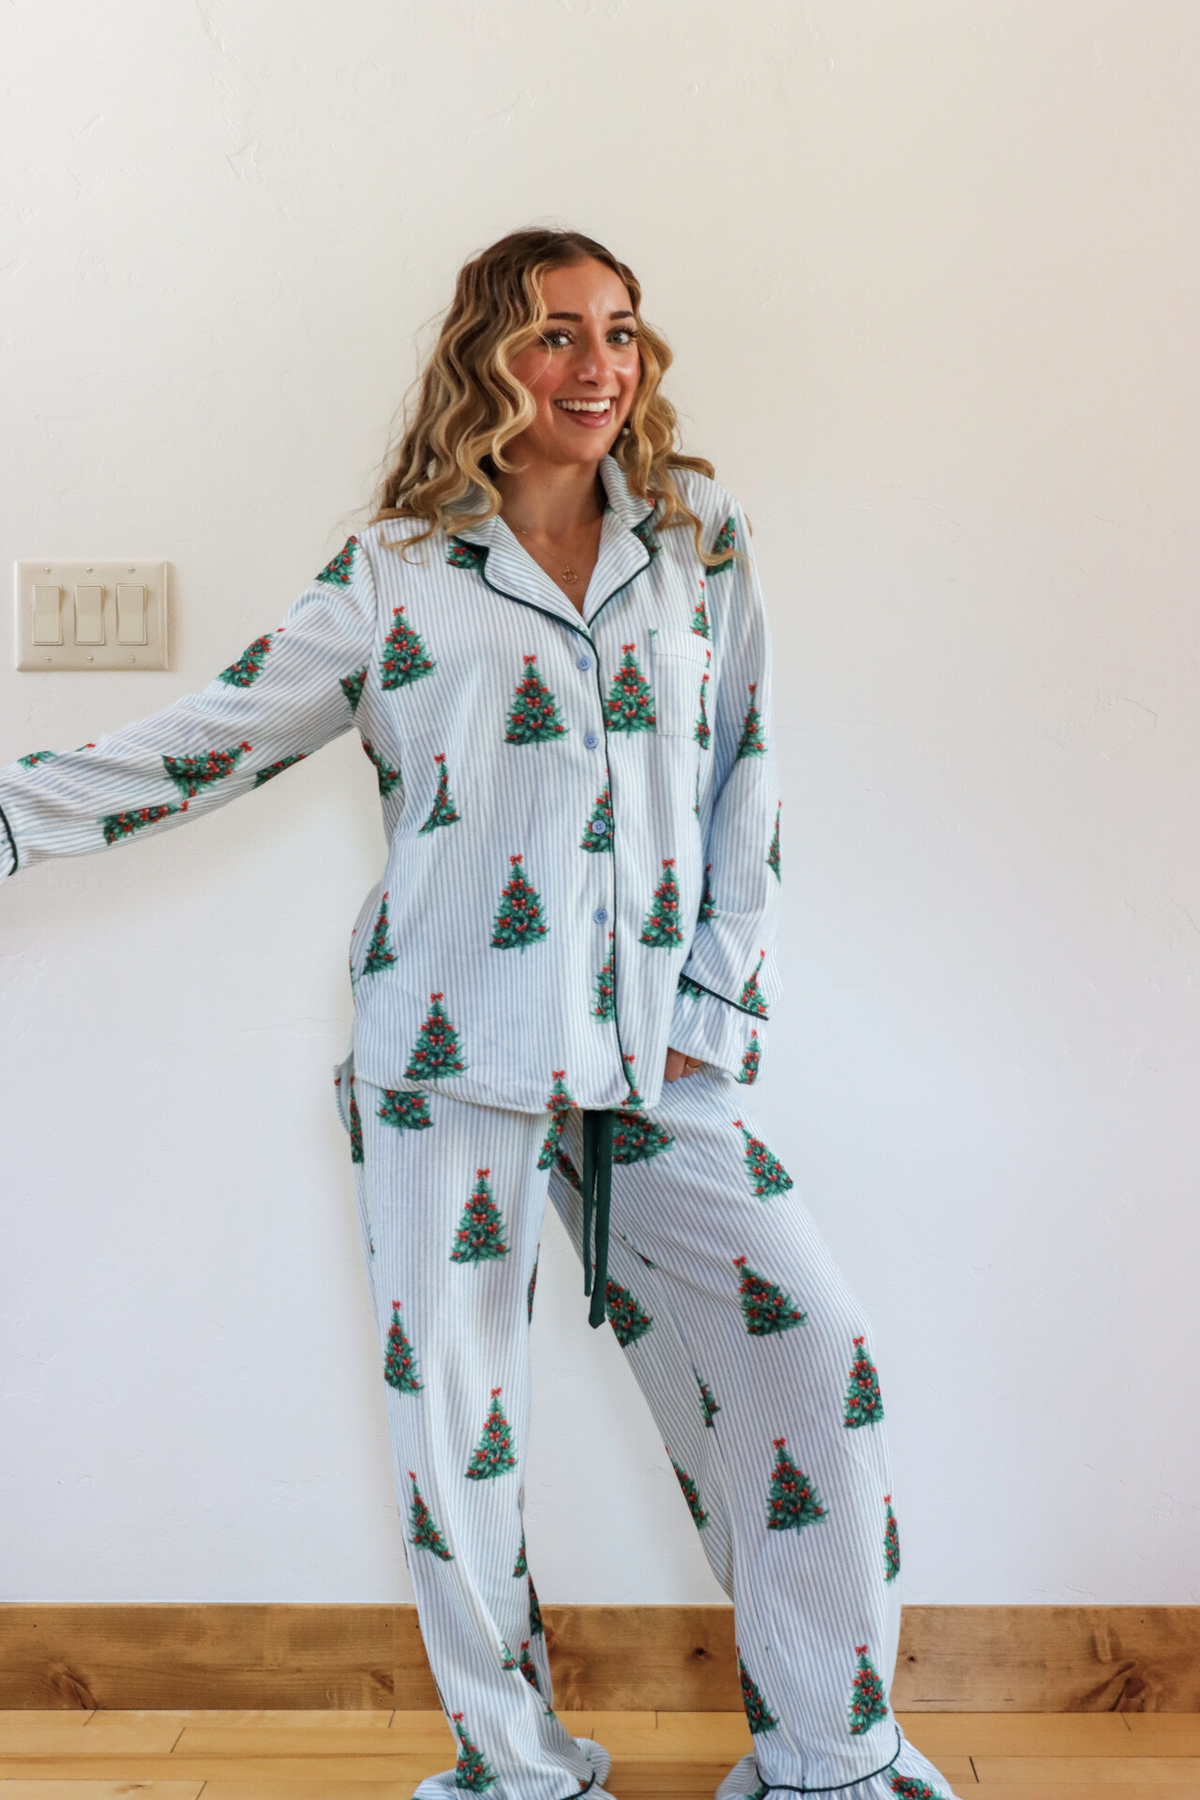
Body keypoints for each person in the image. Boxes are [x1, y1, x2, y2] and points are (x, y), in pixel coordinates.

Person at [0, 228, 957, 1800]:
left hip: (664, 1054)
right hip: (447, 1052)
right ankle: (517, 1768)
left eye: (621, 333)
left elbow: (749, 777)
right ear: (486, 362)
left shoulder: (699, 539)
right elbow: (214, 734)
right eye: (556, 334)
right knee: (461, 1434)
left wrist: (719, 996)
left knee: (815, 1359)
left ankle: (831, 1761)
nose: (599, 367)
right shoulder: (397, 575)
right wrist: (16, 816)